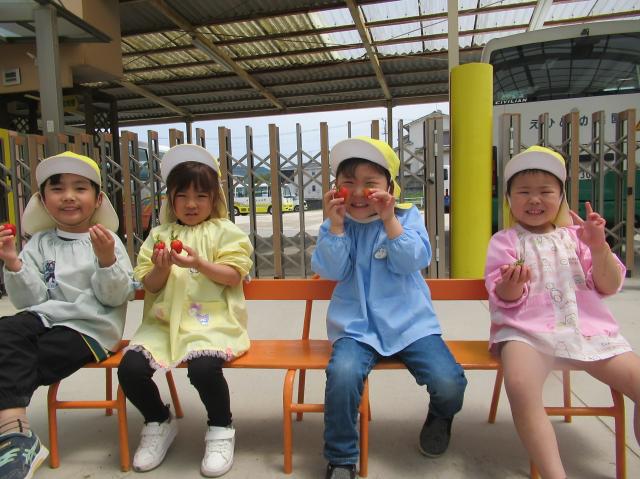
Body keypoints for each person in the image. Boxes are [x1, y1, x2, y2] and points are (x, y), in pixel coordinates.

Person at [311, 136, 468, 479]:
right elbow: (331, 270)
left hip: (410, 326)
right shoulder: (336, 224)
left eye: (370, 183)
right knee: (342, 376)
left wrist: (389, 221)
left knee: (449, 383)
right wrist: (335, 227)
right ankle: (341, 456)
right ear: (336, 188)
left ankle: (440, 416)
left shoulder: (407, 218)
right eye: (348, 182)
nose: (358, 193)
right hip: (356, 328)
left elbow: (413, 260)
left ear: (390, 188)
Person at [485, 145, 640, 478]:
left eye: (545, 191)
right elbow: (504, 298)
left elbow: (609, 284)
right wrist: (513, 283)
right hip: (526, 332)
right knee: (520, 386)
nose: (534, 199)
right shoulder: (505, 241)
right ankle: (555, 475)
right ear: (509, 199)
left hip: (588, 331)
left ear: (561, 197)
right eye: (523, 192)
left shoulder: (579, 236)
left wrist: (599, 246)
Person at [118, 144, 253, 477]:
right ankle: (158, 420)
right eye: (182, 196)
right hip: (163, 325)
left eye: (201, 196)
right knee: (130, 369)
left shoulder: (225, 231)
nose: (191, 204)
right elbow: (150, 286)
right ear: (170, 199)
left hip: (210, 322)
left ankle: (221, 427)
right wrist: (162, 268)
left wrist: (199, 263)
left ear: (214, 199)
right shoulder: (159, 235)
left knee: (203, 369)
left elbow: (233, 275)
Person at [0, 151, 134, 479]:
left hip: (91, 329)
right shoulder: (39, 243)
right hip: (45, 319)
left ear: (98, 199)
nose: (69, 196)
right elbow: (30, 301)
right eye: (57, 189)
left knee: (18, 357)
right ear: (43, 200)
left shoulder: (107, 240)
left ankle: (13, 433)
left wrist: (106, 260)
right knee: (5, 331)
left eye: (80, 188)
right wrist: (13, 262)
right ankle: (16, 432)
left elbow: (115, 296)